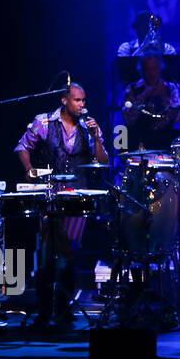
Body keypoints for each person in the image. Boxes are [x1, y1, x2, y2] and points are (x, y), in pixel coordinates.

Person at [13, 83, 109, 329]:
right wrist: (29, 170)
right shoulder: (44, 122)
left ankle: (63, 311)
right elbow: (22, 147)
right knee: (46, 256)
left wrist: (97, 137)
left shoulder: (89, 129)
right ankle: (45, 312)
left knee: (67, 255)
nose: (82, 105)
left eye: (84, 101)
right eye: (77, 100)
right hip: (49, 196)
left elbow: (103, 161)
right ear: (64, 100)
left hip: (77, 198)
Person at [122, 50, 180, 151]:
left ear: (160, 69)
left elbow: (177, 118)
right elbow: (128, 118)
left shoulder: (170, 88)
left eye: (154, 68)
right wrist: (144, 95)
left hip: (164, 139)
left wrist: (165, 97)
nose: (151, 73)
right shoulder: (132, 88)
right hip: (139, 140)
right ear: (141, 70)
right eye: (147, 69)